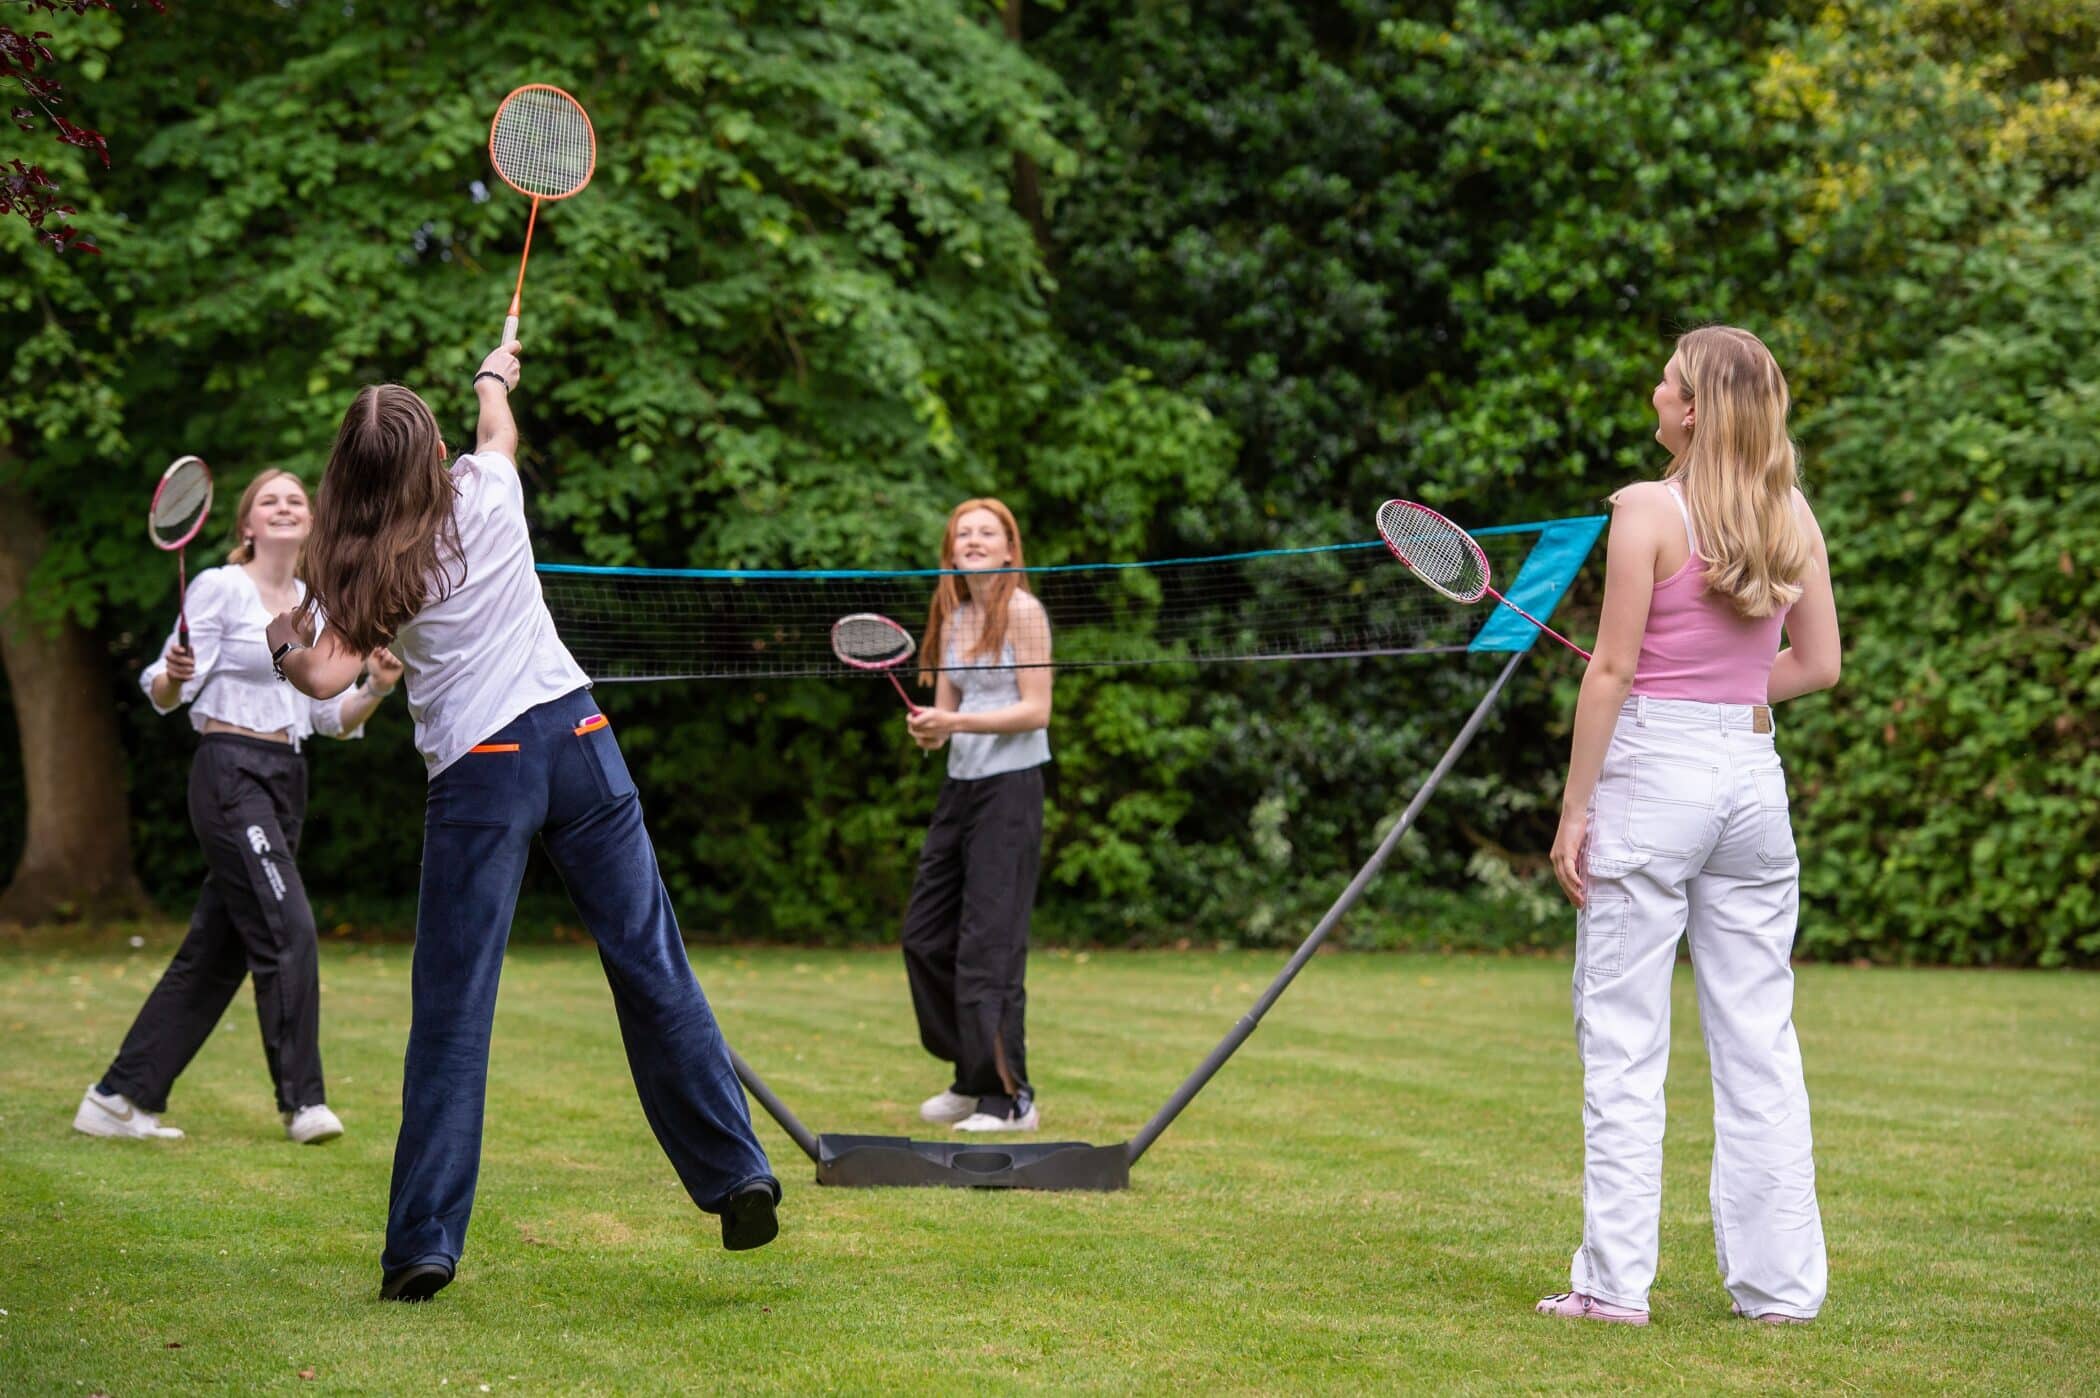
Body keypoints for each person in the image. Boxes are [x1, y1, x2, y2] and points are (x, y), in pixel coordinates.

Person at [266, 343, 779, 1303]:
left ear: (349, 471)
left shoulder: (362, 560)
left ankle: (423, 1243)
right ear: (428, 450)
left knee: (455, 1010)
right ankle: (738, 1175)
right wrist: (492, 376)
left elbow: (326, 677)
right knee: (650, 959)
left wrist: (281, 645)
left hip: (482, 768)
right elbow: (499, 427)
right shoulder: (484, 490)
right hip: (579, 732)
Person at [1539, 326, 1841, 1327]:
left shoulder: (1644, 512)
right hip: (1751, 778)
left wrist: (1577, 806)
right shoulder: (1789, 512)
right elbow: (1818, 665)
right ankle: (1782, 1293)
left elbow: (1614, 672)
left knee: (1624, 1040)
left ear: (1696, 409)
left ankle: (1613, 1287)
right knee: (1760, 1040)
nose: (1654, 392)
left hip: (1654, 775)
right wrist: (1735, 699)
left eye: (1666, 381)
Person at [76, 469, 400, 1146]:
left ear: (310, 522)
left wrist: (372, 684)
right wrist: (171, 674)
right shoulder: (219, 587)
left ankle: (119, 1096)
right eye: (268, 501)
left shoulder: (317, 604)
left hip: (288, 777)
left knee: (218, 950)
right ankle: (303, 1102)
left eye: (295, 500)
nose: (284, 507)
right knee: (289, 929)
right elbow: (164, 692)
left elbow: (330, 716)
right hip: (230, 773)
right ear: (247, 526)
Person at [899, 499, 1053, 1134]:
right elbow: (943, 717)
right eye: (964, 533)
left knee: (989, 949)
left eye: (987, 532)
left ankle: (1009, 1099)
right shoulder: (954, 617)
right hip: (960, 789)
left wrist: (955, 721)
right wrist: (931, 732)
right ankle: (970, 1073)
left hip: (1011, 790)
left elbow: (1036, 710)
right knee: (924, 937)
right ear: (951, 550)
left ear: (1009, 548)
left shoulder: (1024, 611)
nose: (974, 540)